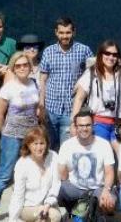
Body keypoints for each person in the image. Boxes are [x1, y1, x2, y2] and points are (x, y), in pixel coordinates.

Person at [0, 52, 43, 220]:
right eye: (18, 66)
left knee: (32, 171)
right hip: (12, 136)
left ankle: (29, 206)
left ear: (30, 67)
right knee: (5, 174)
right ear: (13, 68)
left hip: (31, 136)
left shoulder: (34, 83)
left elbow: (38, 107)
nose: (22, 68)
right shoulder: (8, 88)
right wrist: (5, 134)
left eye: (25, 65)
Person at [39, 17, 93, 151]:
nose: (65, 36)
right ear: (56, 33)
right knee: (48, 148)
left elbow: (94, 71)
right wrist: (41, 105)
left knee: (66, 149)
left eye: (68, 32)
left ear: (73, 32)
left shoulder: (84, 50)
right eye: (61, 33)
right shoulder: (48, 51)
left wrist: (81, 81)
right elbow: (43, 79)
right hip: (51, 108)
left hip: (71, 109)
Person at [71, 40, 121, 153]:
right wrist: (74, 123)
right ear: (101, 54)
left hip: (119, 124)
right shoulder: (91, 73)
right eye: (107, 53)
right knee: (101, 156)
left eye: (115, 55)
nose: (111, 57)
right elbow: (79, 98)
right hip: (98, 123)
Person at [56, 110, 117, 216]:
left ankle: (99, 216)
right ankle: (71, 214)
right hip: (75, 187)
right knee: (56, 191)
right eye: (81, 125)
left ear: (93, 125)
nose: (84, 129)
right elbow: (62, 175)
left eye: (88, 125)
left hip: (97, 188)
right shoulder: (67, 145)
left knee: (109, 203)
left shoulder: (104, 144)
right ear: (76, 127)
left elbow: (109, 172)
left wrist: (106, 190)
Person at [8, 128, 61, 222]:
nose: (39, 148)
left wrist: (47, 204)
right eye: (35, 144)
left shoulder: (53, 157)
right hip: (27, 207)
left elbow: (55, 185)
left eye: (42, 143)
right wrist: (13, 218)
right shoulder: (22, 164)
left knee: (53, 216)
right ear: (28, 145)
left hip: (48, 205)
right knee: (53, 216)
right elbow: (18, 195)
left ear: (47, 144)